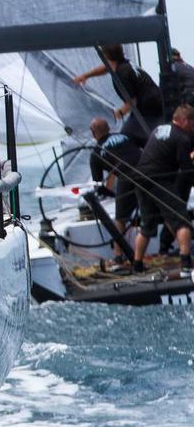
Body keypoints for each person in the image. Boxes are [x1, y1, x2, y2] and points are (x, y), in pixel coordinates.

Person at [131, 105, 194, 274]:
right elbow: (187, 169)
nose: (193, 128)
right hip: (159, 180)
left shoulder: (159, 129)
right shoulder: (183, 138)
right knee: (183, 221)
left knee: (148, 224)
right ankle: (187, 264)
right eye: (192, 124)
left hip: (140, 179)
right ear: (184, 120)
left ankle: (137, 265)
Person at [73, 44, 164, 146]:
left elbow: (131, 102)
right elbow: (106, 68)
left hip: (151, 112)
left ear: (106, 56)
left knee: (125, 137)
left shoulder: (122, 74)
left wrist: (119, 113)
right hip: (156, 105)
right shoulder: (124, 64)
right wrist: (86, 75)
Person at [88, 117, 142, 265]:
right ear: (109, 129)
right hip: (147, 172)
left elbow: (99, 188)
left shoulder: (96, 153)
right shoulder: (126, 136)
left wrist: (116, 196)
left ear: (93, 133)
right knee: (151, 214)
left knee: (120, 219)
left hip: (126, 177)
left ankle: (118, 256)